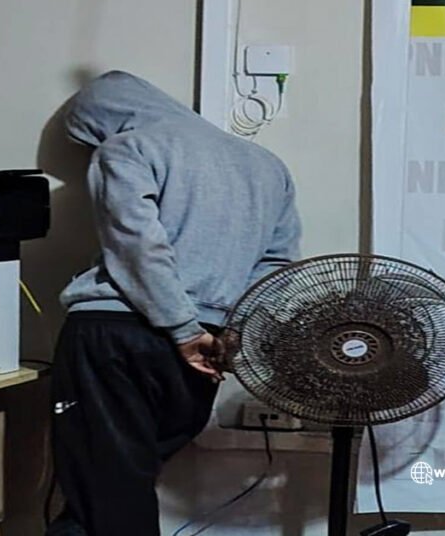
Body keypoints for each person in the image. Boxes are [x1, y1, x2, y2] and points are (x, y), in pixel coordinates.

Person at [47, 71, 301, 535]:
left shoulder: (127, 147)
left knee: (106, 498)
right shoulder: (267, 165)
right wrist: (233, 333)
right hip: (206, 349)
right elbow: (277, 264)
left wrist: (183, 329)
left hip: (116, 336)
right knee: (118, 488)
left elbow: (137, 245)